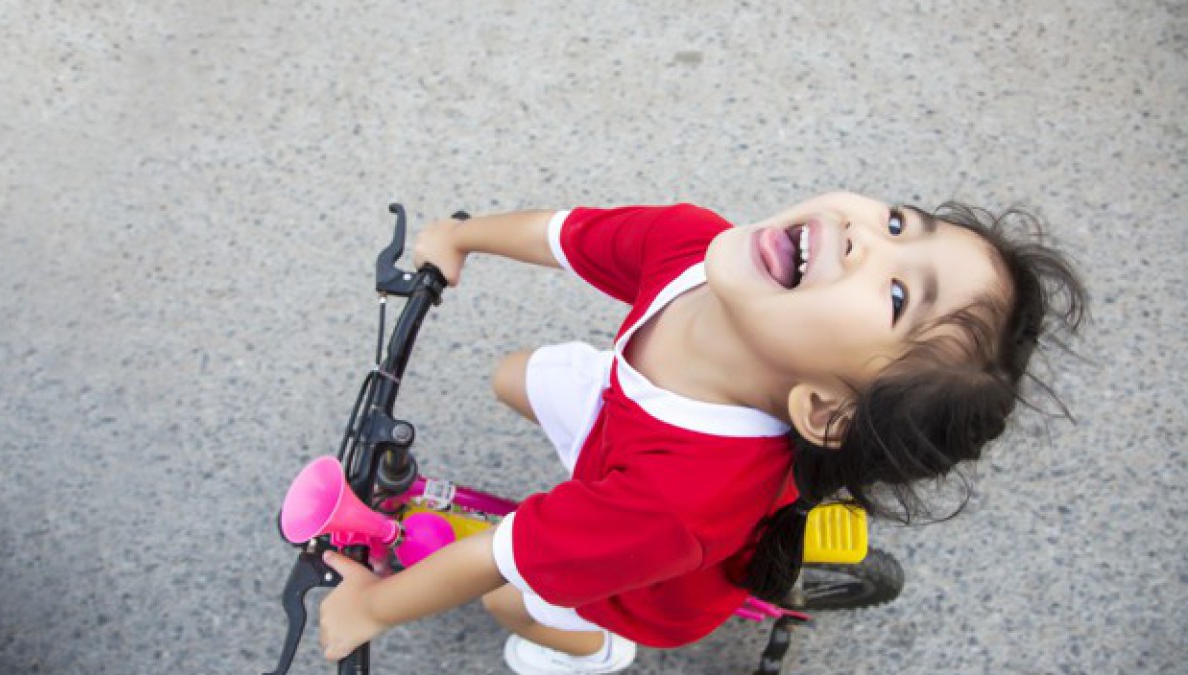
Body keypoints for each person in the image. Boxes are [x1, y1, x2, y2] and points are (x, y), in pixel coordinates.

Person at [315, 191, 1085, 674]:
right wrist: (461, 235)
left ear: (822, 409)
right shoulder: (694, 247)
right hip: (628, 425)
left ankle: (595, 650)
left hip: (657, 575)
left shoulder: (680, 505)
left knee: (511, 600)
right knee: (513, 374)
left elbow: (496, 554)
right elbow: (566, 234)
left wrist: (372, 609)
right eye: (897, 222)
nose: (865, 237)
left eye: (894, 294)